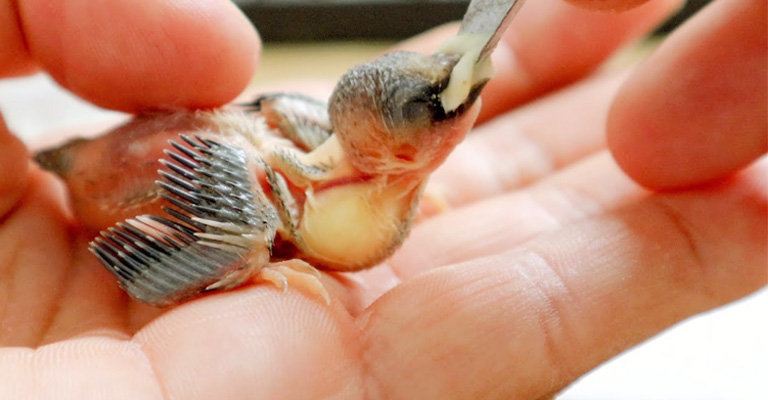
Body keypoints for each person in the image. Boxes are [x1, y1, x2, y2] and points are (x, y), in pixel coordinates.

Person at [0, 0, 764, 398]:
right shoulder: (272, 180)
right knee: (237, 224)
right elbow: (222, 160)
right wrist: (253, 254)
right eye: (439, 111)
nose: (466, 95)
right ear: (399, 149)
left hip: (247, 150)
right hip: (107, 178)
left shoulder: (329, 154)